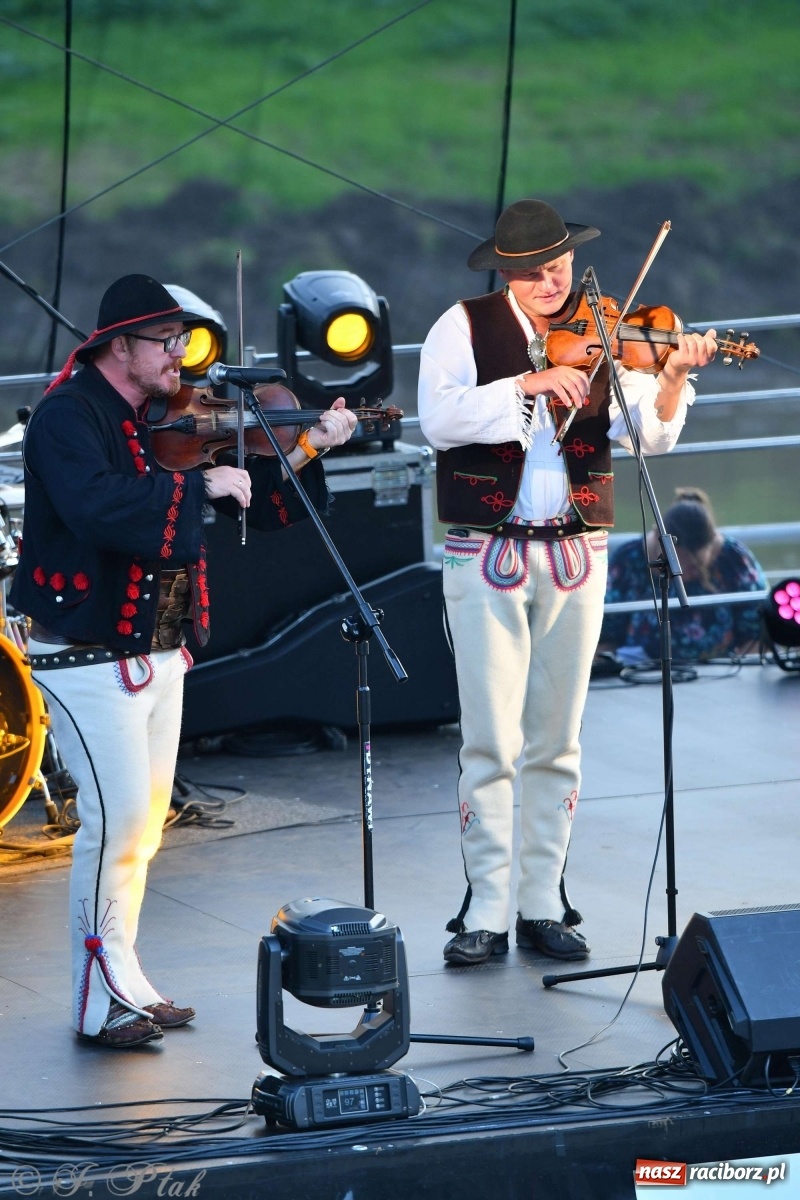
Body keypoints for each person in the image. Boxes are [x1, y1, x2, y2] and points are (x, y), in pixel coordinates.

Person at [10, 274, 357, 1047]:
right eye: (166, 341)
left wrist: (310, 444)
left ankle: (125, 978)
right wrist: (198, 486)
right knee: (114, 824)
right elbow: (98, 506)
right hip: (86, 653)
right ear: (119, 346)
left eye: (181, 340)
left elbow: (249, 497)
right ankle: (97, 1000)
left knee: (141, 830)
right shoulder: (68, 416)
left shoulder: (155, 416)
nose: (181, 355)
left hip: (159, 644)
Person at [418, 198, 718, 966]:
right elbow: (439, 421)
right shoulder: (461, 327)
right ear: (505, 273)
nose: (551, 283)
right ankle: (485, 907)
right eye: (533, 273)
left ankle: (542, 901)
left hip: (576, 551)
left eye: (558, 267)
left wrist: (672, 378)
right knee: (490, 740)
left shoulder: (603, 328)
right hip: (486, 551)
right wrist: (531, 380)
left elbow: (648, 434)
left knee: (558, 741)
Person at [599, 487, 768, 663]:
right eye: (674, 565)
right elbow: (603, 637)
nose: (682, 575)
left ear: (713, 544)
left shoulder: (734, 559)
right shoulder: (626, 560)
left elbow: (760, 635)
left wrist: (739, 668)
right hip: (637, 672)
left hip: (723, 669)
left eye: (695, 567)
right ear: (658, 537)